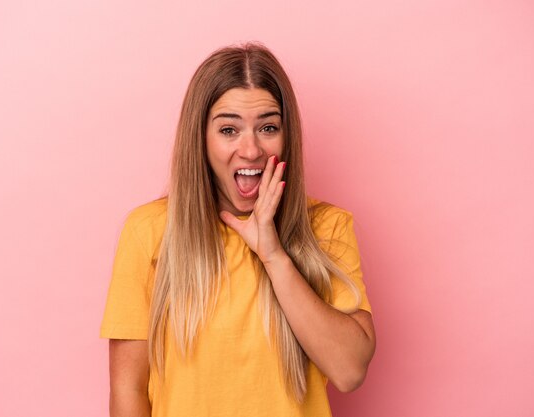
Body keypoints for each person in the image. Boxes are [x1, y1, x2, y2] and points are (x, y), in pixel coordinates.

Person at [100, 42, 376, 417]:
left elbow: (349, 371)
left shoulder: (326, 227)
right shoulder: (148, 231)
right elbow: (128, 388)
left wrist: (274, 256)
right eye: (229, 129)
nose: (250, 150)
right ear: (200, 139)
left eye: (268, 127)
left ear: (286, 135)